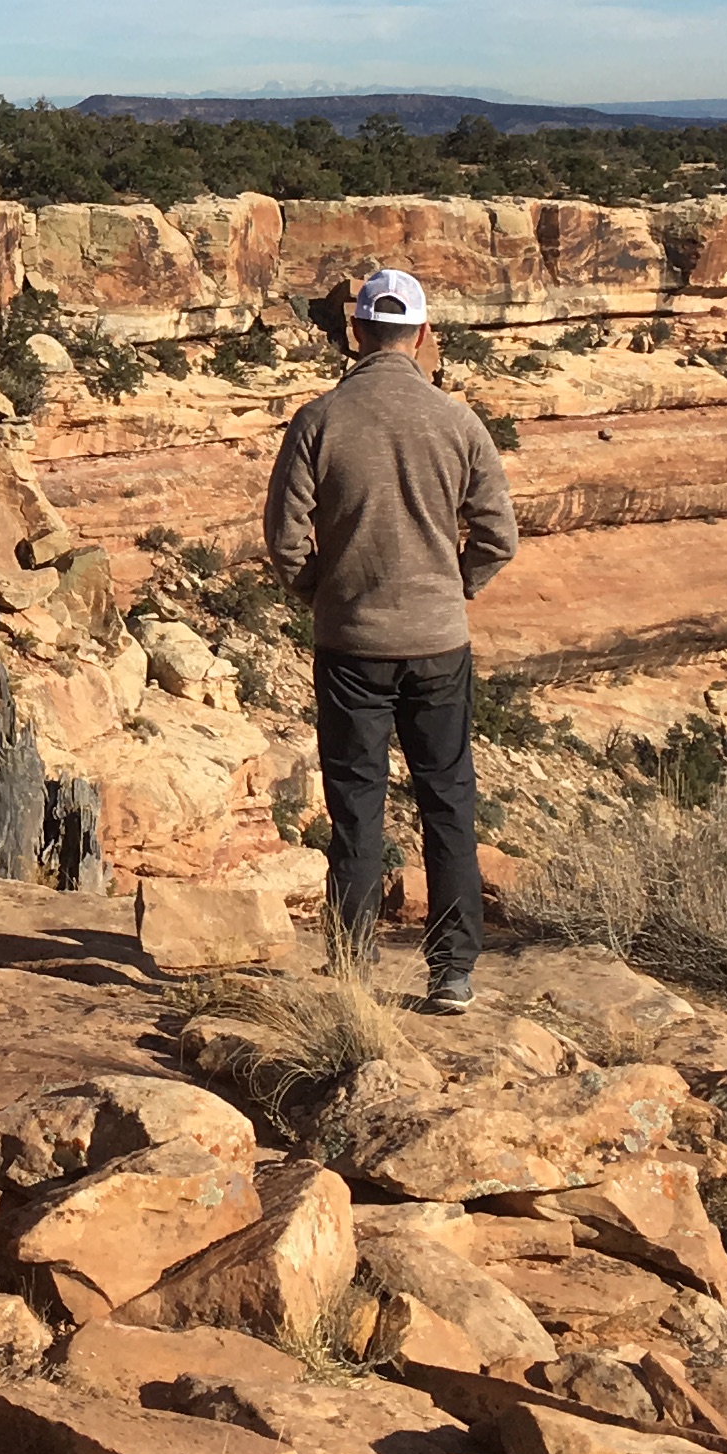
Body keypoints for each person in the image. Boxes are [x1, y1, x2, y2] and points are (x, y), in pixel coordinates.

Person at [262, 267, 518, 1013]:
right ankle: (453, 972)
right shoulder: (459, 422)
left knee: (356, 804)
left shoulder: (320, 419)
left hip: (351, 645)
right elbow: (499, 536)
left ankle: (351, 964)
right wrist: (454, 586)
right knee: (447, 799)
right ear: (425, 336)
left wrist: (326, 592)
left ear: (355, 333)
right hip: (439, 642)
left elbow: (284, 540)